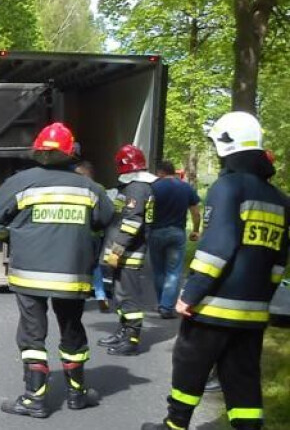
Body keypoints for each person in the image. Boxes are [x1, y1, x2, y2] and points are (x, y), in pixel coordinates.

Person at [143, 111, 288, 430]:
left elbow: (218, 246)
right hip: (253, 311)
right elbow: (279, 261)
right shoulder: (280, 199)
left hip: (213, 307)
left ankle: (175, 425)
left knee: (189, 366)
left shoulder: (228, 187)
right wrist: (262, 298)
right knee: (243, 376)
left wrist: (190, 293)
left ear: (226, 145)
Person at [0, 123, 113, 418]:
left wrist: (18, 236)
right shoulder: (90, 188)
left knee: (32, 333)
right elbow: (103, 220)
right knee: (72, 329)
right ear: (71, 153)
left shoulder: (19, 182)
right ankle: (77, 394)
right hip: (72, 275)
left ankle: (35, 399)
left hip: (28, 274)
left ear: (38, 151)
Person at [98, 144, 156, 356]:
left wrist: (117, 249)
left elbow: (132, 222)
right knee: (120, 296)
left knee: (129, 297)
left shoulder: (137, 188)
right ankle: (123, 331)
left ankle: (131, 339)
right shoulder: (133, 186)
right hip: (124, 251)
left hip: (128, 253)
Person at [149, 161, 202, 319]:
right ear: (173, 172)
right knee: (173, 272)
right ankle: (166, 307)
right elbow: (195, 212)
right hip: (177, 233)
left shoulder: (154, 187)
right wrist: (195, 230)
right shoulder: (185, 187)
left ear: (160, 172)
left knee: (158, 271)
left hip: (156, 232)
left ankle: (162, 304)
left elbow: (147, 210)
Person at [75, 160, 111, 312]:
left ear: (84, 174)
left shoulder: (78, 189)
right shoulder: (100, 188)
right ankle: (101, 294)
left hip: (80, 233)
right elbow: (107, 212)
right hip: (97, 234)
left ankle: (80, 293)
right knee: (95, 264)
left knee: (78, 263)